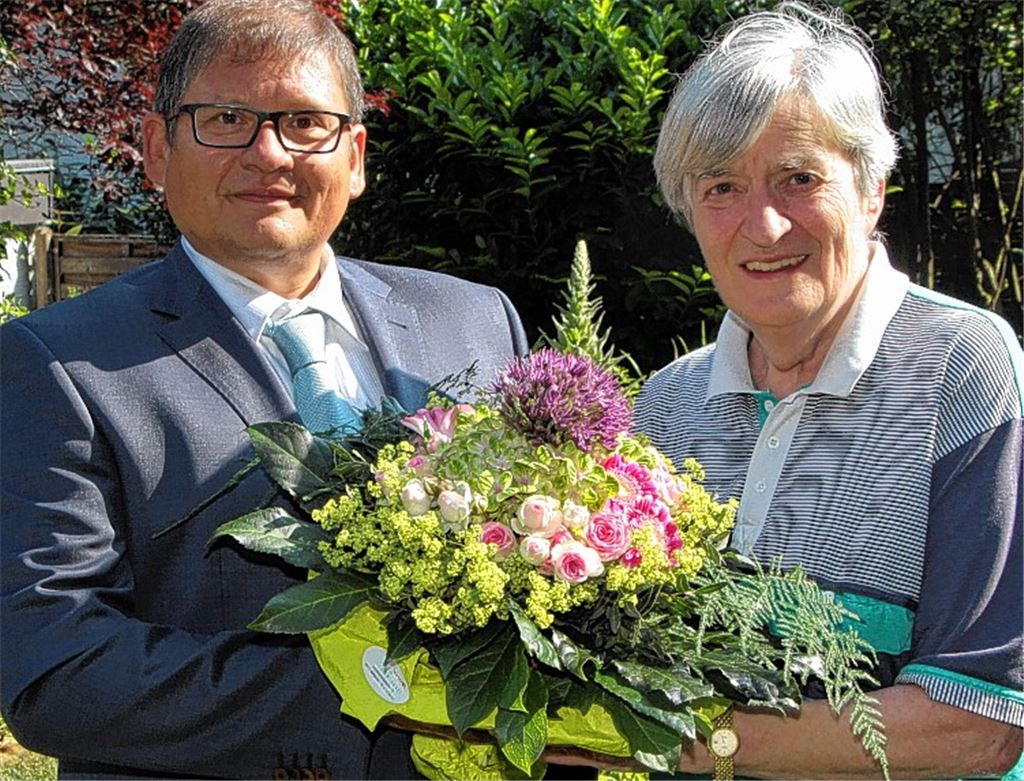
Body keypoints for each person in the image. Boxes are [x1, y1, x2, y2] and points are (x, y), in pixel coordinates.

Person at [0, 1, 527, 778]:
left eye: (306, 122)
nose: (269, 153)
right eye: (225, 119)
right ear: (157, 149)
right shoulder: (60, 365)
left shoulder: (478, 322)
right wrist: (383, 685)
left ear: (356, 156)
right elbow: (56, 667)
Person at [625, 2, 1024, 778]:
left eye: (799, 179)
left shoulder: (964, 367)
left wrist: (687, 738)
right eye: (722, 186)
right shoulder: (666, 407)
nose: (765, 225)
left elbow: (979, 721)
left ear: (872, 189)